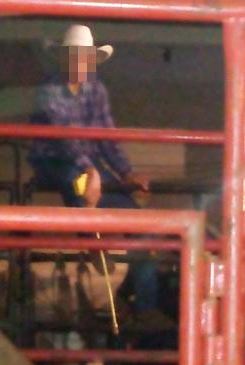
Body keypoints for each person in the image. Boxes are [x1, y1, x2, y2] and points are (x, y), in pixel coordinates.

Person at [28, 24, 172, 330]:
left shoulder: (96, 89)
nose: (81, 64)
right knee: (73, 179)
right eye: (75, 57)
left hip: (87, 168)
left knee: (140, 225)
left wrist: (126, 173)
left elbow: (107, 138)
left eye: (85, 58)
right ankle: (93, 240)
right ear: (64, 59)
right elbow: (64, 140)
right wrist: (91, 170)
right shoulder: (49, 90)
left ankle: (141, 304)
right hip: (53, 162)